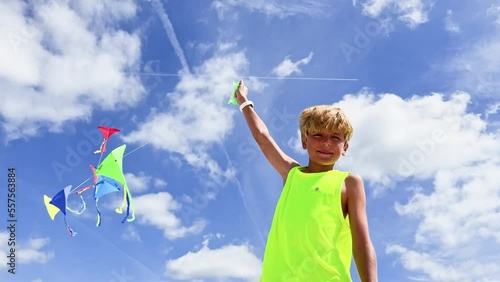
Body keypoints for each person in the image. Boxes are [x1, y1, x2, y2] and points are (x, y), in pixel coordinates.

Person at [235, 80, 378, 282]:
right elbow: (262, 137)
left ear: (345, 147)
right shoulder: (291, 173)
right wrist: (243, 100)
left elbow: (362, 241)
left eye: (335, 137)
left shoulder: (349, 183)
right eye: (318, 134)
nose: (326, 142)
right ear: (304, 142)